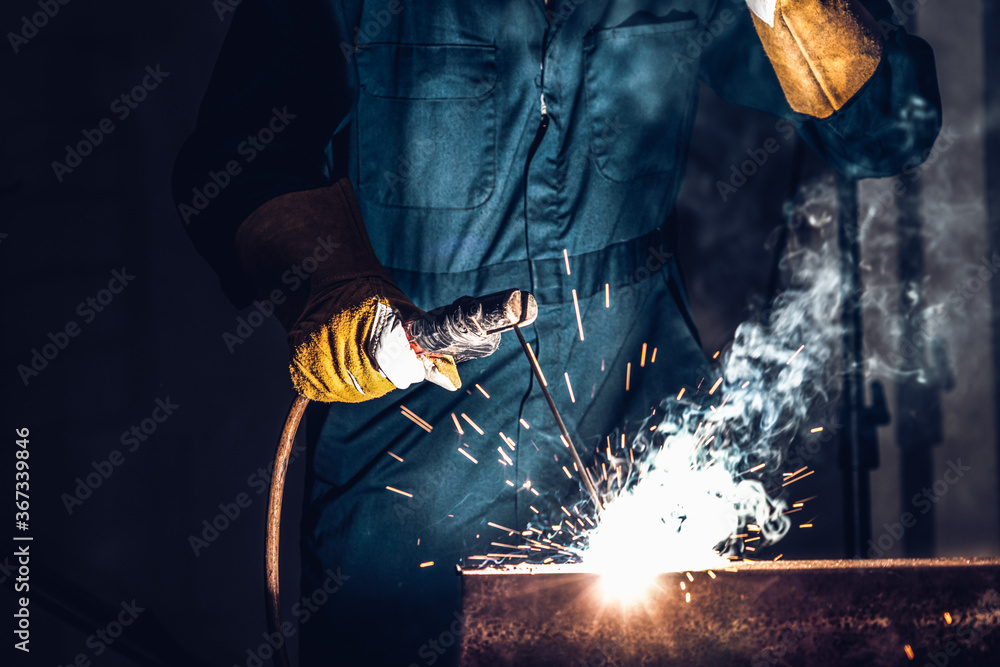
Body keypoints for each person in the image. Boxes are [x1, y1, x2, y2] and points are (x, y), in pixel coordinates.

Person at [172, 0, 940, 664]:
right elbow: (244, 162)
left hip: (638, 437)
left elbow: (886, 132)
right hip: (409, 458)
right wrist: (333, 289)